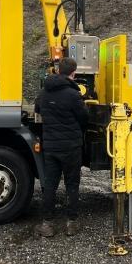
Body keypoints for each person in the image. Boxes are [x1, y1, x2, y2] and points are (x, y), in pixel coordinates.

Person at [34, 57, 88, 237]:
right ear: (73, 73)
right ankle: (71, 224)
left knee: (50, 185)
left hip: (50, 146)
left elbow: (38, 110)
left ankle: (47, 224)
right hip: (71, 146)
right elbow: (84, 117)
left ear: (58, 71)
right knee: (72, 184)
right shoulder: (73, 94)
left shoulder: (44, 93)